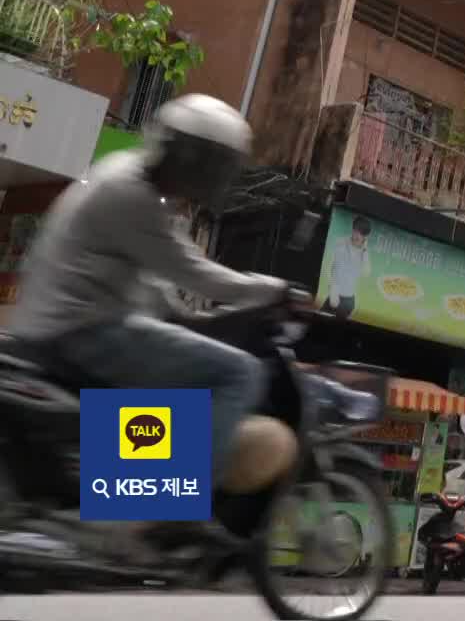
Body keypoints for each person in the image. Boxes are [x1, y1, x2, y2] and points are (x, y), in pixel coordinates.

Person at [3, 95, 290, 558]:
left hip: (57, 326)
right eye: (215, 165)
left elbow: (156, 287)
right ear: (197, 160)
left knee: (176, 388)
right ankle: (173, 511)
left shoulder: (125, 176)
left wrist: (194, 319)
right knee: (238, 373)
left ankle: (118, 503)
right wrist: (271, 289)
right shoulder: (132, 195)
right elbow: (192, 271)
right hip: (81, 331)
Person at [322, 215, 370, 318]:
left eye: (361, 233)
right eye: (356, 231)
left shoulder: (364, 253)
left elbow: (366, 273)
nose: (357, 235)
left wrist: (365, 251)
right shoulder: (340, 242)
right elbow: (330, 265)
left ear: (365, 236)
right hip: (334, 293)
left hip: (348, 300)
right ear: (352, 229)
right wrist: (332, 286)